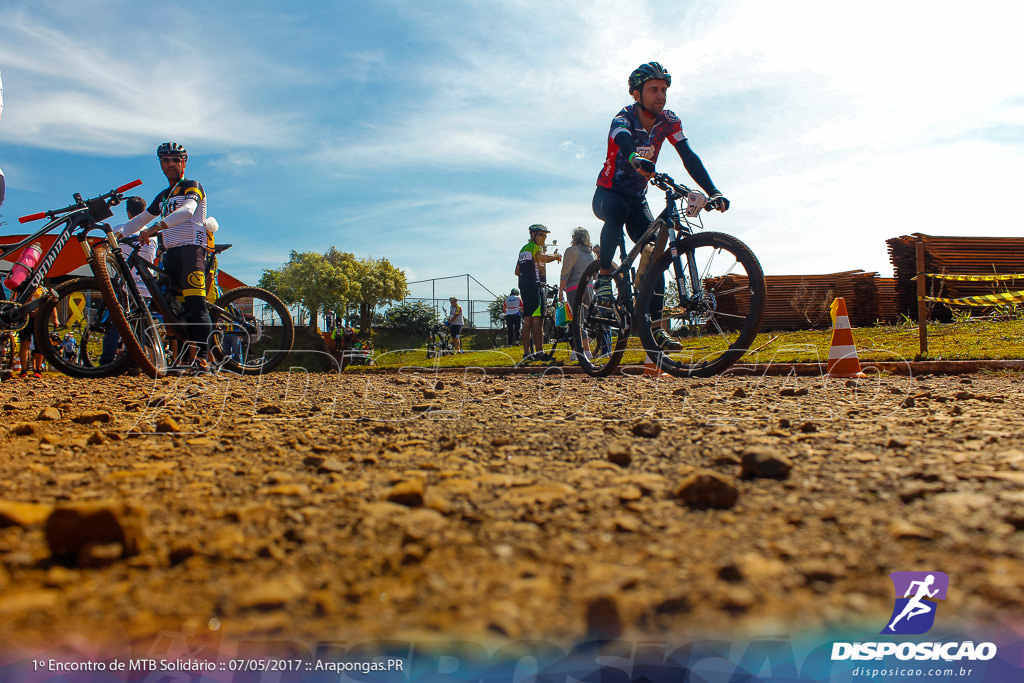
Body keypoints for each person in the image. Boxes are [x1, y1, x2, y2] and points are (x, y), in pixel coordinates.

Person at [593, 62, 729, 351]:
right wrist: (633, 158)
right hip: (609, 194)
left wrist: (712, 191)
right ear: (636, 93)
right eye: (654, 89)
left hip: (638, 198)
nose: (661, 95)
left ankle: (654, 329)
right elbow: (624, 140)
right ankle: (604, 276)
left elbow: (688, 155)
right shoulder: (623, 117)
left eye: (664, 90)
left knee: (657, 253)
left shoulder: (668, 121)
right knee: (616, 213)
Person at [118, 142, 212, 373]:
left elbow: (188, 210)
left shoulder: (192, 185)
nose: (170, 164)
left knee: (195, 305)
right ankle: (179, 360)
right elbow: (140, 221)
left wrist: (157, 227)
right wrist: (115, 235)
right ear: (160, 164)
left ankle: (202, 359)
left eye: (175, 160)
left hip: (192, 251)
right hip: (170, 254)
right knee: (171, 307)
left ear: (184, 162)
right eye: (165, 160)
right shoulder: (163, 195)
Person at [515, 224, 561, 362]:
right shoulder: (533, 247)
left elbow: (517, 271)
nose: (544, 237)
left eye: (545, 235)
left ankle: (527, 353)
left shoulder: (523, 249)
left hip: (524, 286)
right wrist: (556, 256)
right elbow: (544, 258)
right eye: (541, 234)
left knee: (527, 320)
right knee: (538, 320)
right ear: (533, 235)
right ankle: (540, 353)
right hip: (535, 286)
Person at [560, 227, 596, 361]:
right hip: (589, 289)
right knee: (582, 321)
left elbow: (566, 271)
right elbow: (595, 274)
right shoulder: (590, 254)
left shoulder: (571, 251)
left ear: (574, 238)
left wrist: (560, 290)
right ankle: (579, 350)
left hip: (574, 288)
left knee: (576, 321)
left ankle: (583, 350)